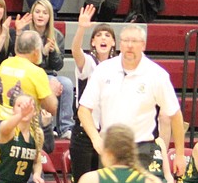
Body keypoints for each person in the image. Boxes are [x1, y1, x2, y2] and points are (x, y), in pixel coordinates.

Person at [78, 25, 187, 174]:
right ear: (120, 43)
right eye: (126, 40)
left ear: (143, 45)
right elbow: (84, 109)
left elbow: (175, 114)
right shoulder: (103, 69)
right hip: (110, 147)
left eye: (134, 41)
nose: (129, 45)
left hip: (141, 149)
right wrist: (95, 138)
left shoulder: (157, 74)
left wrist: (180, 155)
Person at [69, 6, 116, 183]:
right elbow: (75, 51)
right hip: (84, 134)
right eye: (99, 35)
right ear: (93, 43)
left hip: (109, 134)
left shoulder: (119, 68)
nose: (103, 38)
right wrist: (81, 28)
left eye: (107, 35)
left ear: (113, 43)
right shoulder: (89, 62)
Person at [17, 0, 72, 137]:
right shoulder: (26, 34)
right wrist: (43, 53)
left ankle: (66, 128)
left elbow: (58, 65)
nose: (40, 16)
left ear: (49, 17)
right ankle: (48, 125)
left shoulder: (56, 35)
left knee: (67, 83)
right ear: (32, 14)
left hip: (49, 73)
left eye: (44, 13)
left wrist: (53, 52)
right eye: (37, 12)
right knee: (47, 82)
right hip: (29, 73)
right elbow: (23, 61)